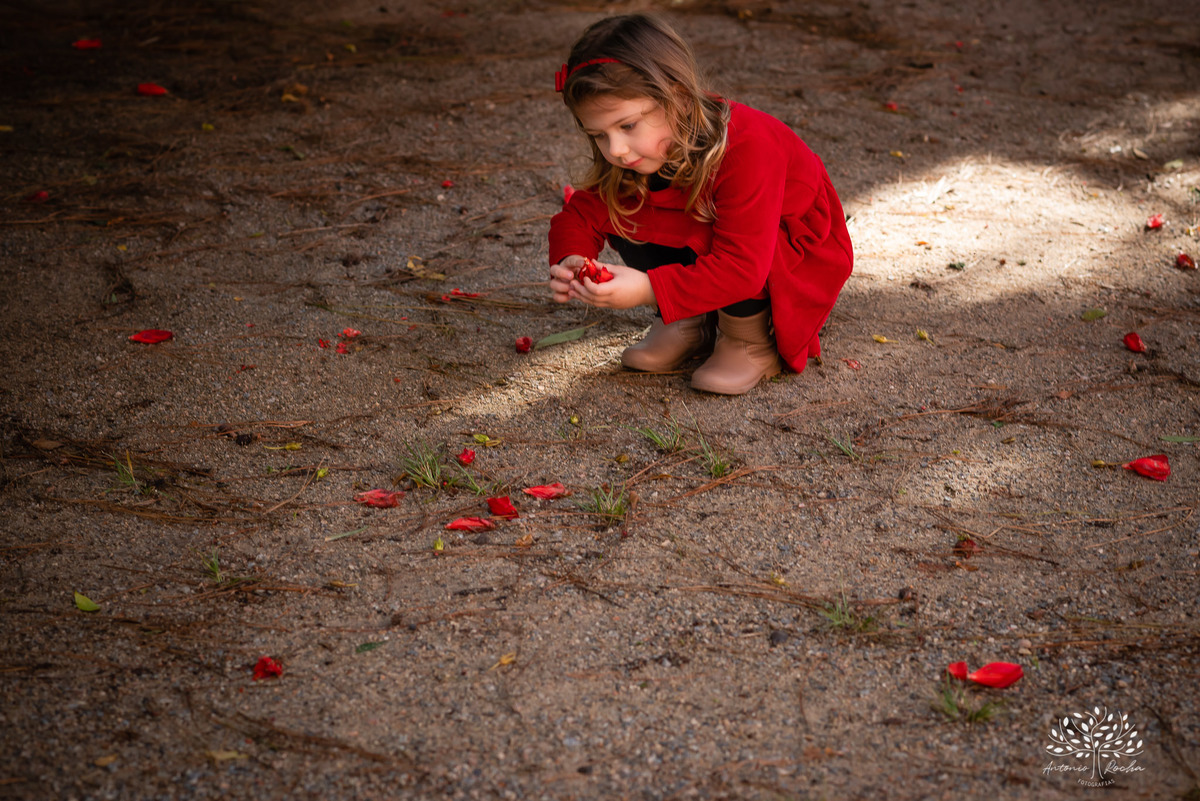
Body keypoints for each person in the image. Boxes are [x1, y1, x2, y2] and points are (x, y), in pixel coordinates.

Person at [547, 13, 854, 395]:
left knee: (716, 232)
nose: (616, 150)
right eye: (599, 135)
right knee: (625, 206)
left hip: (785, 250)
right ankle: (685, 320)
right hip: (727, 245)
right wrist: (572, 258)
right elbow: (580, 214)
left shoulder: (747, 147)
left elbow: (744, 266)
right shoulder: (640, 156)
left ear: (675, 97)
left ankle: (747, 338)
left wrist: (647, 288)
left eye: (627, 126)